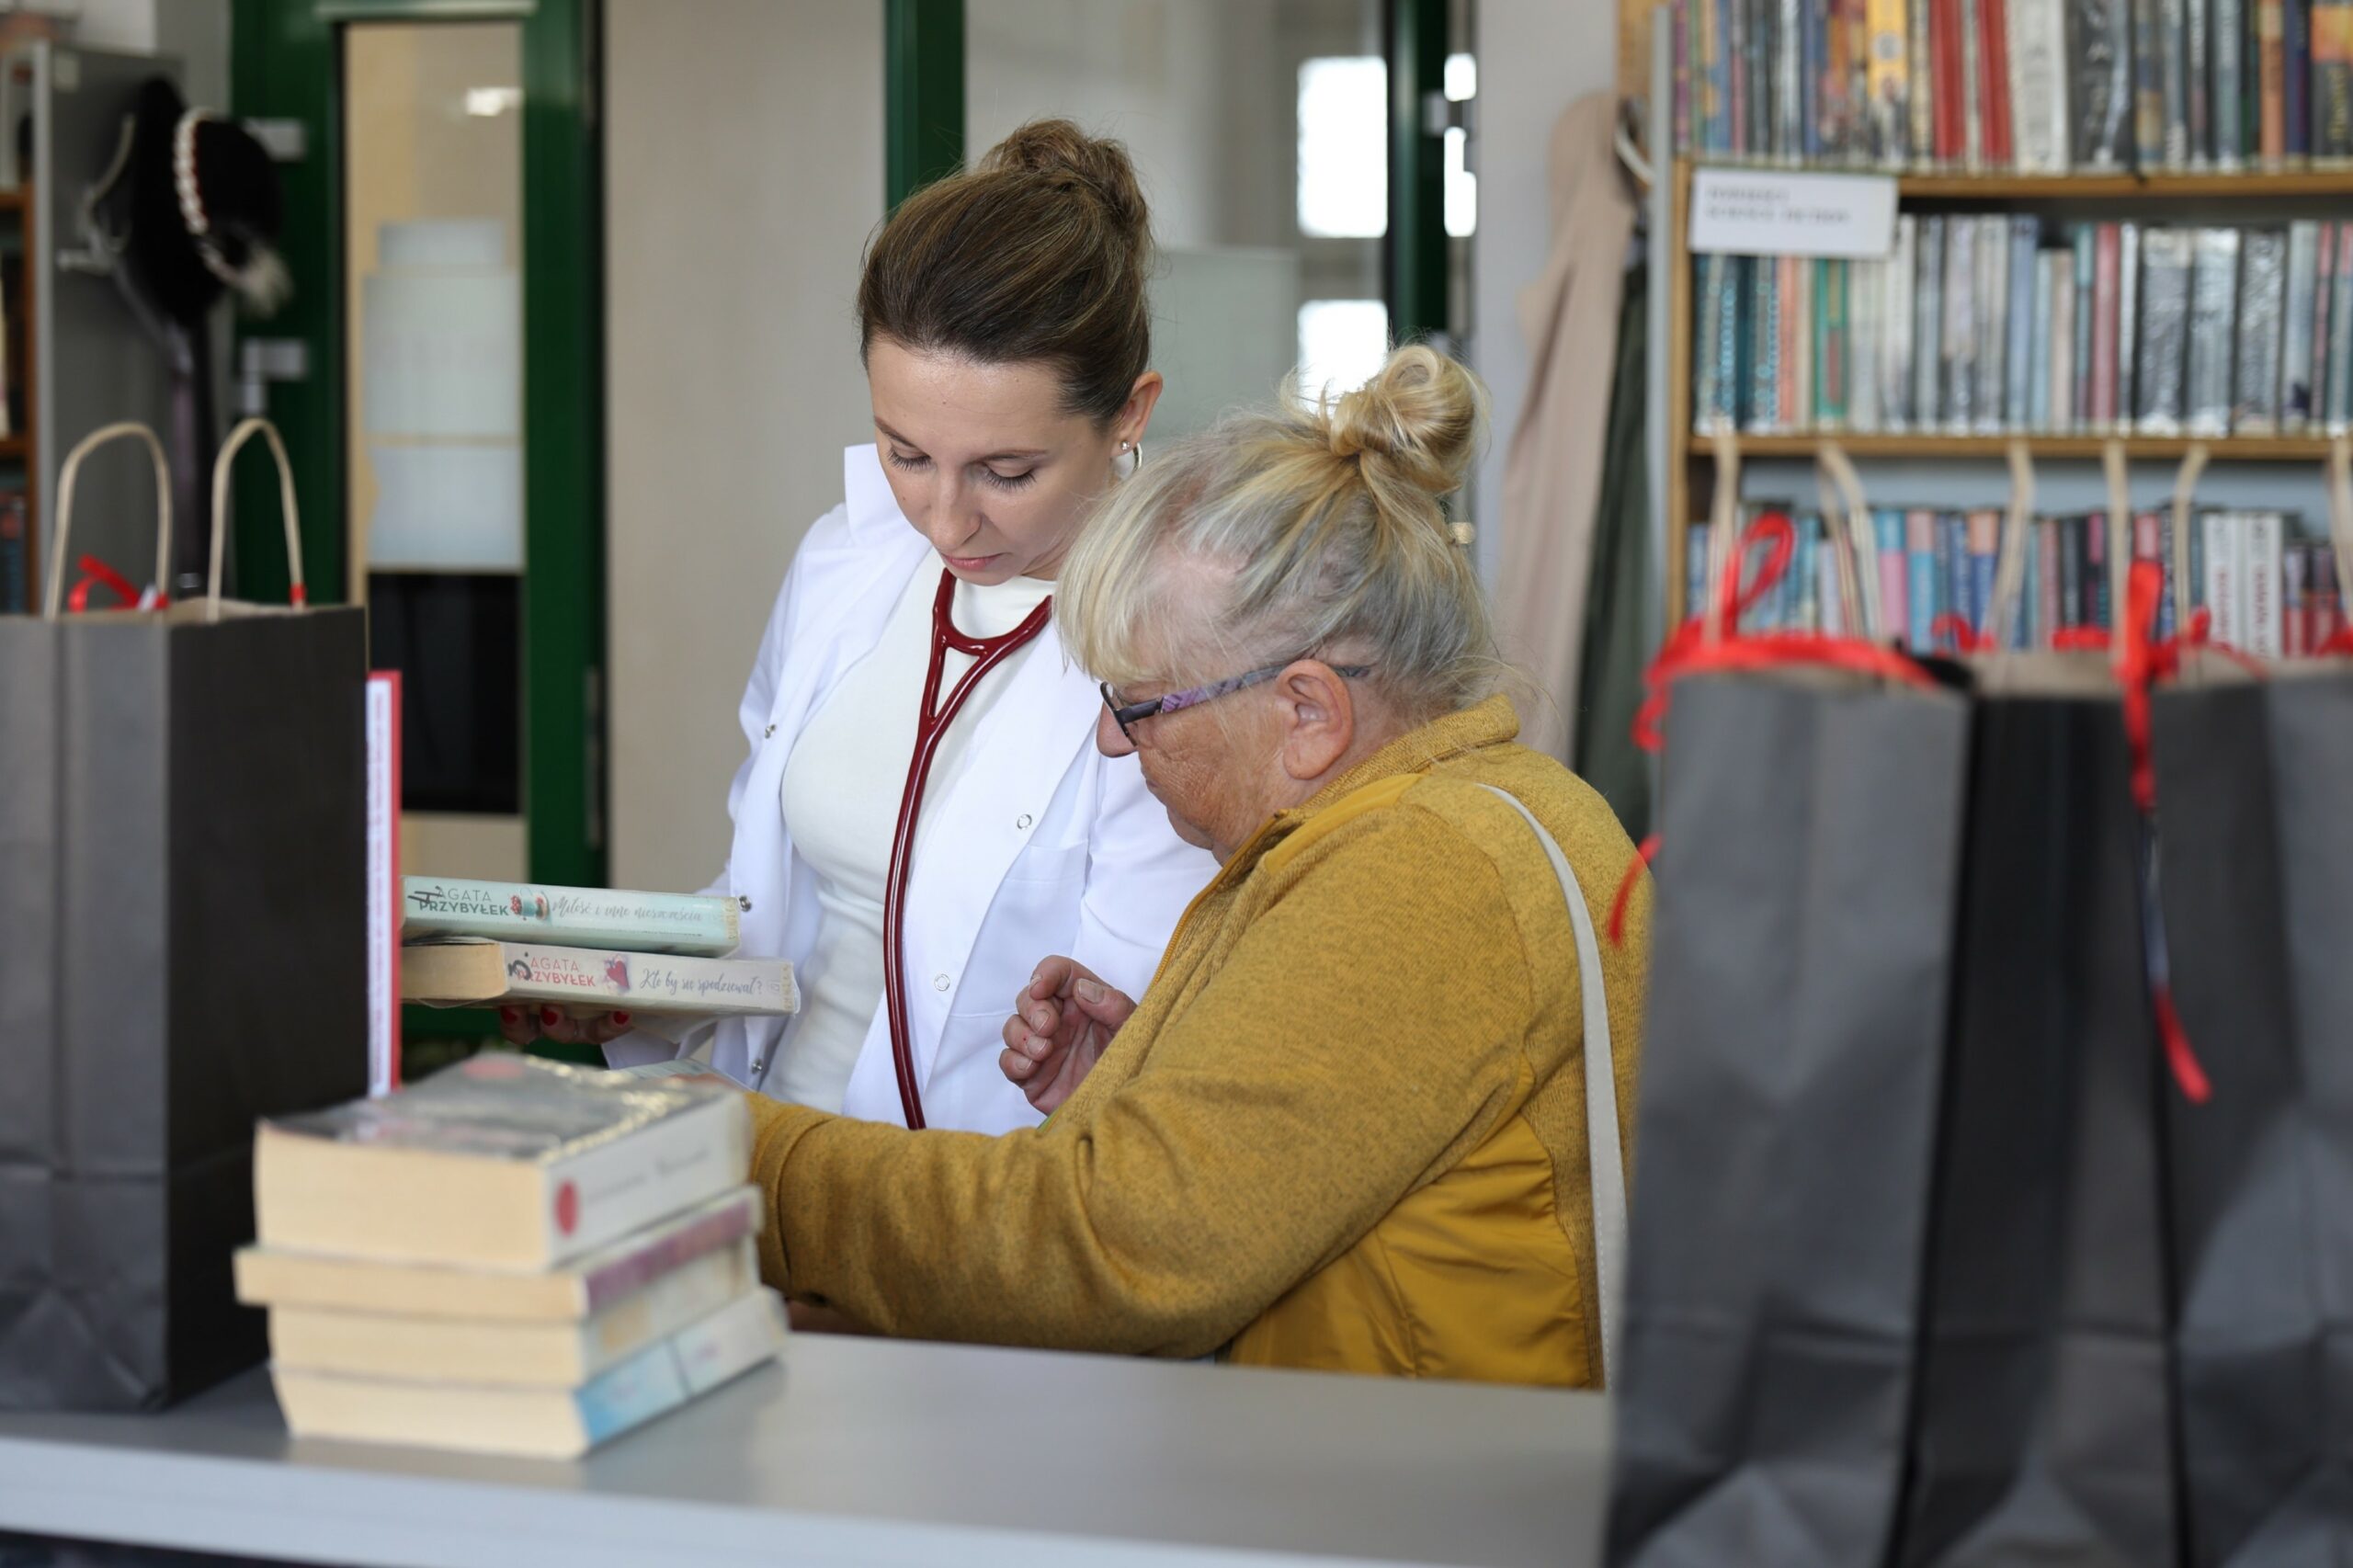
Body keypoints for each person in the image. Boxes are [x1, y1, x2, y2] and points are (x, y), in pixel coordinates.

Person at [733, 345, 1654, 1386]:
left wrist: (739, 1157)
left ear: (1307, 713)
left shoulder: (1420, 878)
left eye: (1140, 705)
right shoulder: (1500, 812)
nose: (1113, 743)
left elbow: (1109, 1253)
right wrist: (1152, 1082)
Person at [505, 120, 1218, 1133]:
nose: (946, 521)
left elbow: (1140, 1038)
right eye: (906, 454)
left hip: (968, 1201)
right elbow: (772, 896)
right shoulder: (845, 564)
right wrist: (639, 986)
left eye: (1007, 472)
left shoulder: (1188, 653)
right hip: (770, 1157)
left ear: (1130, 414)